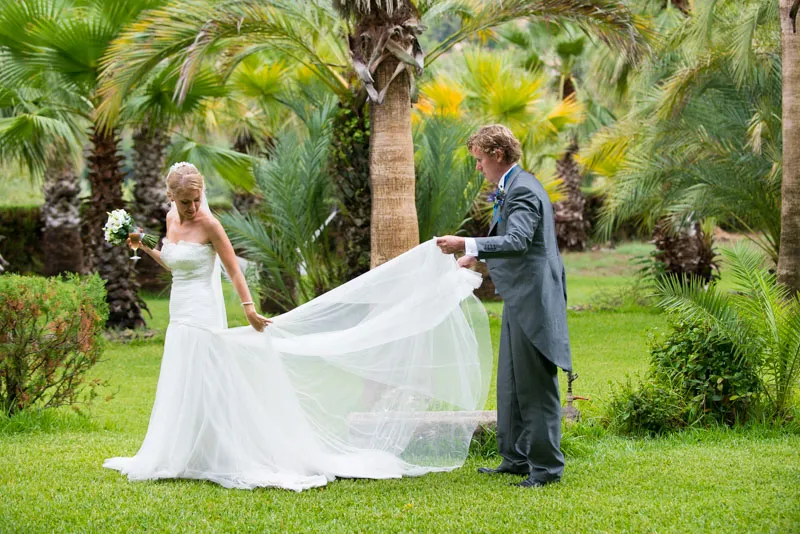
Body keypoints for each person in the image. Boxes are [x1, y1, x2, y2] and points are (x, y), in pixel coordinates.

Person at [104, 162, 493, 491]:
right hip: (180, 311)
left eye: (196, 199)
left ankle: (223, 450)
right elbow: (174, 264)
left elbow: (233, 269)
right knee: (183, 376)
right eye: (184, 202)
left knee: (209, 375)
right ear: (170, 197)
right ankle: (181, 449)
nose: (191, 207)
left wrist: (249, 308)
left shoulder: (209, 223)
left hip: (203, 313)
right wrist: (144, 245)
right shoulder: (172, 218)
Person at [437, 124, 572, 488]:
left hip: (534, 299)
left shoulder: (523, 189)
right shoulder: (512, 187)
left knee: (535, 385)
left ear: (497, 155)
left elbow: (518, 240)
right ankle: (515, 458)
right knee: (512, 381)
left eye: (480, 160)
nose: (478, 167)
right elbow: (515, 246)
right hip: (518, 296)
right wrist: (477, 262)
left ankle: (545, 468)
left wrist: (466, 244)